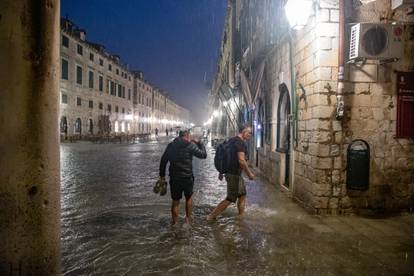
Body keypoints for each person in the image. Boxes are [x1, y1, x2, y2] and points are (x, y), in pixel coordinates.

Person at [159, 130, 207, 225]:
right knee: (188, 198)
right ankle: (188, 220)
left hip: (174, 178)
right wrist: (200, 143)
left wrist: (162, 176)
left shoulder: (171, 146)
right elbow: (203, 155)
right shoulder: (190, 145)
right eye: (190, 136)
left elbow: (163, 161)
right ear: (187, 136)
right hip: (187, 177)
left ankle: (174, 223)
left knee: (175, 201)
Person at [207, 124, 254, 220]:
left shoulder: (232, 140)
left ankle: (240, 217)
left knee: (242, 194)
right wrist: (249, 174)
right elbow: (241, 161)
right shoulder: (240, 143)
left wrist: (221, 171)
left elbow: (225, 156)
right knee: (230, 198)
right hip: (234, 175)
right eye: (249, 133)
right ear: (244, 131)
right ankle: (211, 216)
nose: (250, 135)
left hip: (232, 174)